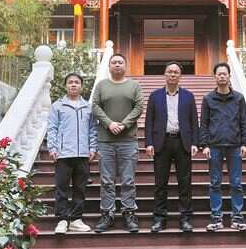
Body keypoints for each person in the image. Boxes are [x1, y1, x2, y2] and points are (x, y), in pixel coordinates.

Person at [92, 53, 144, 233]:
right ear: (109, 66)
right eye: (113, 62)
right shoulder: (101, 85)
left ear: (125, 66)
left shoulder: (134, 86)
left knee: (128, 180)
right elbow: (95, 106)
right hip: (105, 141)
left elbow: (139, 107)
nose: (117, 65)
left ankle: (129, 213)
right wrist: (109, 123)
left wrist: (123, 124)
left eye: (120, 62)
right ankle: (107, 214)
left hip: (128, 140)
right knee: (106, 180)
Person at [145, 61, 199, 233]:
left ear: (180, 76)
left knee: (185, 183)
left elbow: (194, 121)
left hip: (183, 142)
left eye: (176, 72)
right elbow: (149, 121)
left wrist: (195, 143)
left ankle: (185, 218)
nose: (173, 74)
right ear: (165, 74)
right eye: (170, 71)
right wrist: (149, 143)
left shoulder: (188, 96)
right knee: (160, 183)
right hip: (162, 143)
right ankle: (159, 218)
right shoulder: (155, 96)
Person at [200, 62, 246, 232]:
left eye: (224, 74)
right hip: (214, 146)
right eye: (219, 74)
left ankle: (237, 218)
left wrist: (245, 143)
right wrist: (204, 145)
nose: (222, 76)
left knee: (236, 183)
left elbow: (244, 122)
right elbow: (204, 123)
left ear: (229, 76)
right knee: (215, 183)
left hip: (235, 146)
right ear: (215, 77)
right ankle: (216, 218)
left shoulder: (239, 98)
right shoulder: (208, 99)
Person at [47, 73, 97, 234]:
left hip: (82, 154)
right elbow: (52, 128)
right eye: (70, 82)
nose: (73, 85)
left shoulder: (88, 107)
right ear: (66, 85)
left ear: (81, 86)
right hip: (63, 154)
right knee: (61, 188)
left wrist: (92, 148)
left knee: (80, 188)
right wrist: (52, 148)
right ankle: (62, 220)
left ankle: (76, 219)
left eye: (76, 82)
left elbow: (92, 129)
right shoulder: (57, 106)